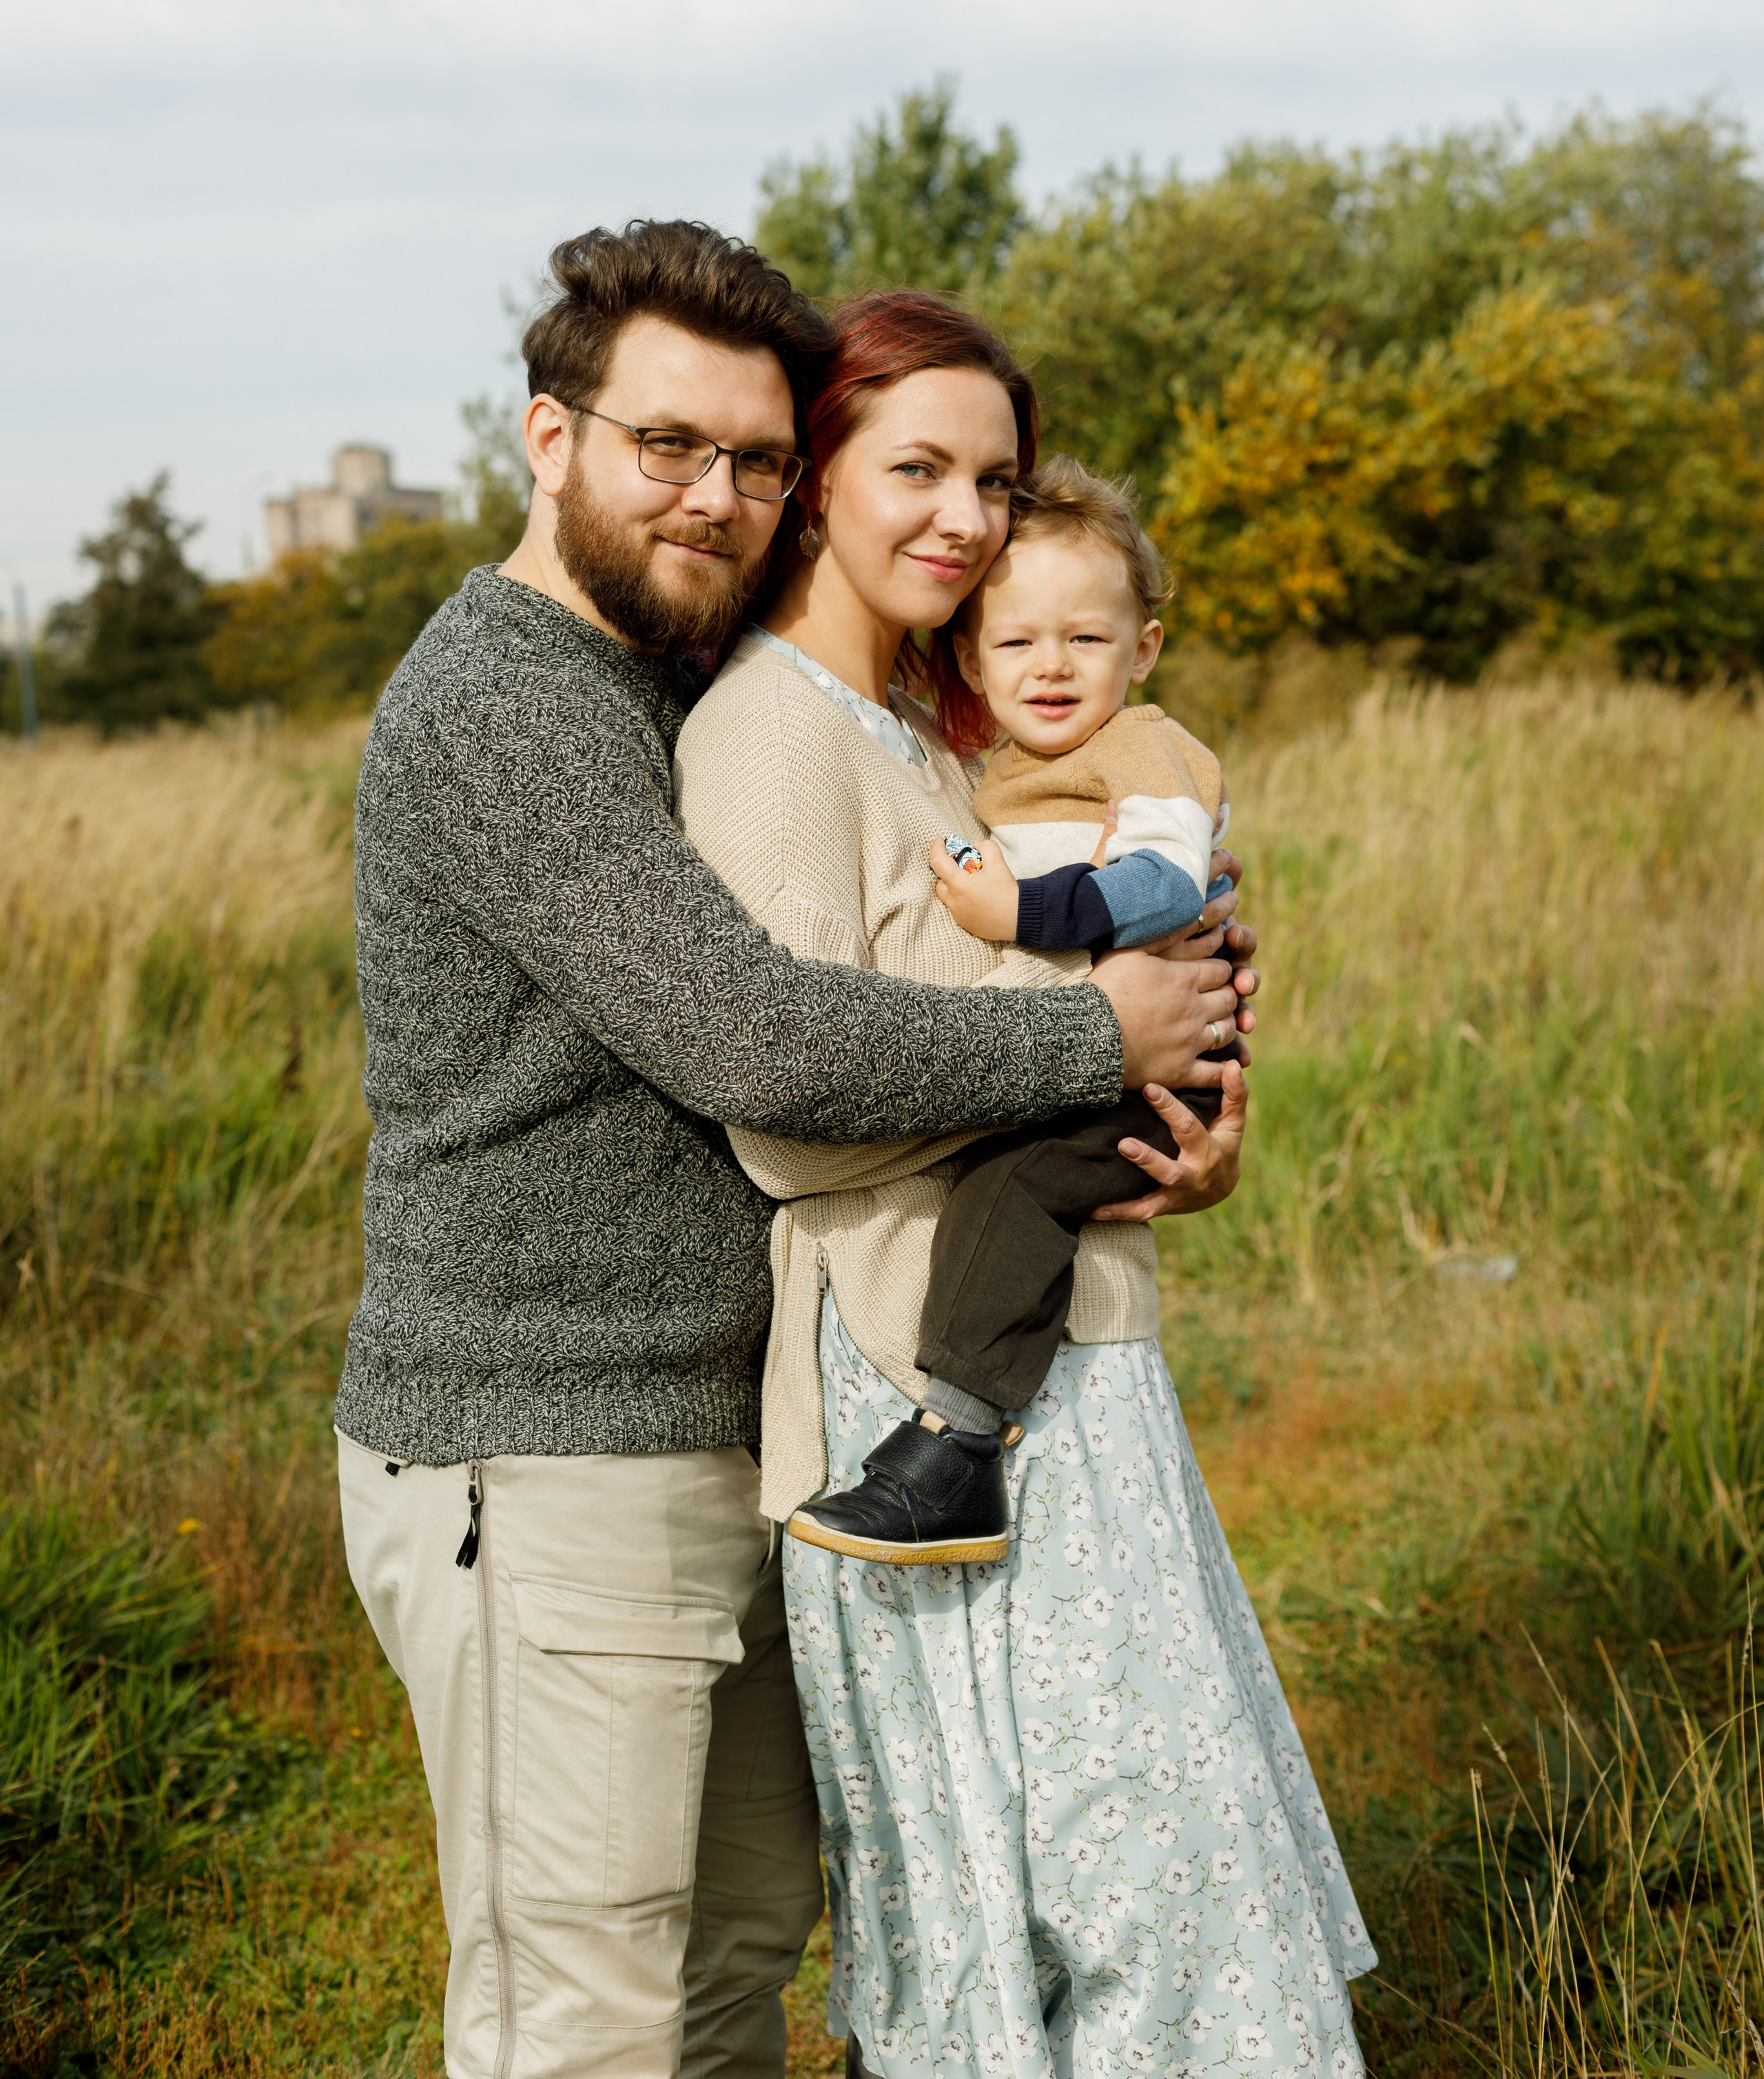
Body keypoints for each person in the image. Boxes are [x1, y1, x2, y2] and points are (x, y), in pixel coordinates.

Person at [332, 222, 1256, 2079]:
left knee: (732, 1960)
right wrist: (1102, 1040)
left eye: (755, 459)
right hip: (546, 1445)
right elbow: (757, 1040)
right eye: (668, 444)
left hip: (732, 1428)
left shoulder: (676, 674)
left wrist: (1164, 1110)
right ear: (550, 437)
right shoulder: (509, 703)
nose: (716, 496)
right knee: (582, 2013)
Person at [673, 290, 1372, 2079]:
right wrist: (1099, 1040)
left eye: (993, 480)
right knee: (1071, 1871)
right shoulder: (769, 734)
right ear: (815, 474)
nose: (966, 518)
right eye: (918, 469)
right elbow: (787, 1110)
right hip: (919, 1371)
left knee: (1158, 1846)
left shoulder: (939, 732)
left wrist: (1179, 1132)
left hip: (1076, 1346)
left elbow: (1083, 1013)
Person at [792, 451, 1242, 1567]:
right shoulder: (994, 766)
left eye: (1086, 639)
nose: (1051, 666)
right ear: (969, 656)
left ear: (1143, 649)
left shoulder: (1143, 749)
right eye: (1017, 642)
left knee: (1014, 1189)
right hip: (1110, 1049)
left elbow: (1165, 887)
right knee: (1004, 1180)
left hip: (1153, 1066)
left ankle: (957, 1444)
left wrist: (1021, 911)